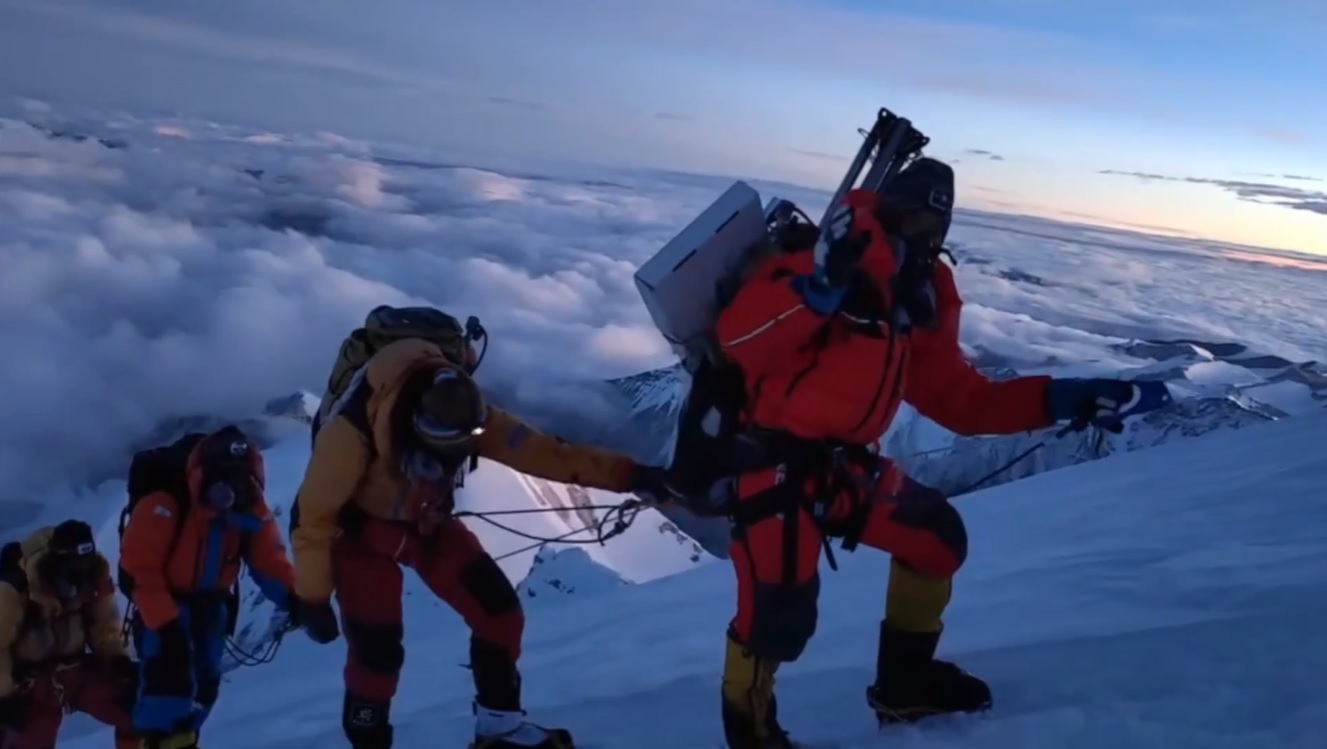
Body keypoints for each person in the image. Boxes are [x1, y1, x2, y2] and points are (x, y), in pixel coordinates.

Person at [705, 158, 1172, 748]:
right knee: (775, 619)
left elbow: (962, 401)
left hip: (840, 465)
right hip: (770, 463)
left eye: (936, 223)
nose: (926, 234)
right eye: (917, 217)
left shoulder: (913, 297)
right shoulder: (826, 261)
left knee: (935, 538)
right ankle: (754, 737)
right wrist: (820, 292)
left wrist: (1064, 398)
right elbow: (738, 336)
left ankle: (905, 687)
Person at [290, 337, 667, 749]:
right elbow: (315, 519)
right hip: (363, 538)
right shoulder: (349, 435)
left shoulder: (472, 415)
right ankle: (370, 742)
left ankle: (499, 729)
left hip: (425, 522)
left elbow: (549, 454)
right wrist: (313, 597)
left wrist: (633, 475)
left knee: (498, 613)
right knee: (377, 651)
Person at [119, 426, 300, 749]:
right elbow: (139, 571)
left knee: (203, 689)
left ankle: (181, 742)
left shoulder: (248, 507)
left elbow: (269, 560)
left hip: (210, 610)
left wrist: (298, 599)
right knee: (167, 689)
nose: (228, 489)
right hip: (163, 606)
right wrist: (165, 622)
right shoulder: (166, 502)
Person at [0, 521, 140, 749]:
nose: (78, 579)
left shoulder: (95, 581)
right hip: (27, 686)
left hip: (73, 672)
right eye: (71, 570)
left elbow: (105, 628)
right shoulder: (14, 591)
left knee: (136, 709)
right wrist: (4, 698)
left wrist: (117, 660)